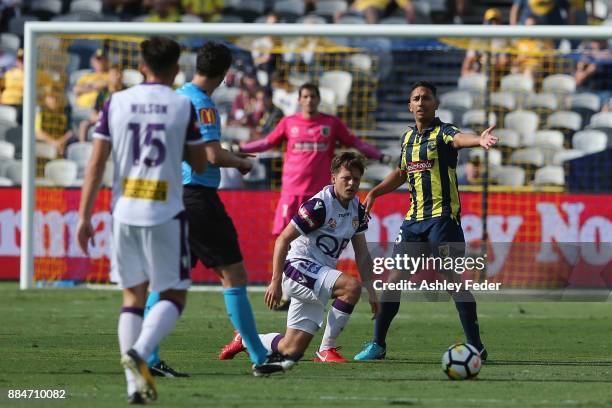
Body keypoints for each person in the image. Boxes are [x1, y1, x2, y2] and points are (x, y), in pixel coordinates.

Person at [144, 41, 293, 378]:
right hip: (197, 197)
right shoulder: (203, 104)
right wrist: (239, 161)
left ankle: (147, 355)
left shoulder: (177, 95)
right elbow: (210, 156)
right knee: (234, 275)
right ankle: (259, 355)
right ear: (226, 74)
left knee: (169, 280)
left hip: (170, 195)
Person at [76, 36, 208, 404]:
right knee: (175, 293)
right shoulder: (182, 106)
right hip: (165, 212)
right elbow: (199, 164)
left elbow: (95, 163)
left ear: (142, 66)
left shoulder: (116, 102)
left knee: (132, 297)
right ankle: (142, 351)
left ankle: (134, 387)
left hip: (124, 211)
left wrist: (84, 216)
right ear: (177, 68)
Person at [353, 80, 498, 362]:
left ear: (436, 104)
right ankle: (377, 344)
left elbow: (459, 139)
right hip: (413, 222)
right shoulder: (407, 139)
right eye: (416, 98)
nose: (421, 102)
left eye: (426, 98)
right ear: (410, 106)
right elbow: (401, 172)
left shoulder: (444, 132)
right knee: (394, 279)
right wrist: (374, 192)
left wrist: (478, 139)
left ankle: (476, 346)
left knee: (452, 280)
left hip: (443, 220)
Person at [219, 152, 379, 364]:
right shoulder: (319, 206)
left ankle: (245, 340)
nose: (351, 184)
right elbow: (282, 240)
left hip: (319, 275)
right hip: (297, 268)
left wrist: (374, 291)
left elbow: (362, 254)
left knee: (289, 348)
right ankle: (326, 350)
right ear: (333, 178)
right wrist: (276, 282)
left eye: (356, 179)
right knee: (350, 288)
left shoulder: (357, 210)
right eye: (346, 178)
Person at [239, 83, 389, 236]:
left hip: (318, 193)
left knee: (318, 237)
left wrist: (380, 156)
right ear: (299, 100)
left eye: (313, 96)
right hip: (292, 191)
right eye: (305, 96)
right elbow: (267, 142)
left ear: (319, 99)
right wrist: (242, 149)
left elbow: (355, 142)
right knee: (284, 236)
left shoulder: (331, 123)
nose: (309, 100)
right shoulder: (288, 122)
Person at [460, 8, 510, 81]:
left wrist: (489, 66)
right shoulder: (477, 39)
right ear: (484, 21)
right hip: (479, 73)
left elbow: (504, 62)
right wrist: (468, 71)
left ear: (500, 22)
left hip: (496, 74)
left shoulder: (504, 40)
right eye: (489, 21)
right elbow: (469, 60)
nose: (492, 24)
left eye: (495, 21)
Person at [78, 65, 124, 142]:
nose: (117, 77)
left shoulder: (126, 92)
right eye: (114, 74)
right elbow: (93, 114)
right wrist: (100, 118)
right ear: (108, 77)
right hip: (102, 119)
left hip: (117, 120)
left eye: (119, 74)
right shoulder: (103, 93)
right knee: (84, 124)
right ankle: (83, 149)